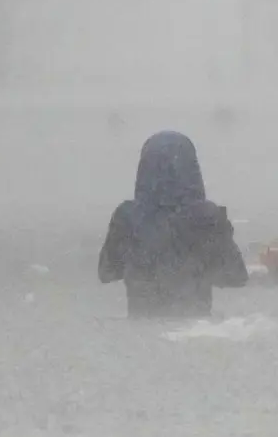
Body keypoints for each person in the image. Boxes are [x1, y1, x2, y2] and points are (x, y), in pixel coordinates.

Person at [99, 131, 248, 318]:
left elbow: (106, 272)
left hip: (142, 326)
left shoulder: (127, 216)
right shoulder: (208, 217)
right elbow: (236, 276)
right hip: (195, 326)